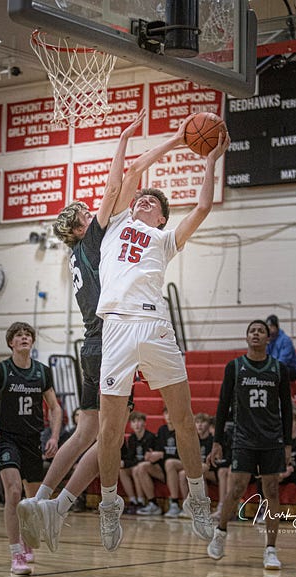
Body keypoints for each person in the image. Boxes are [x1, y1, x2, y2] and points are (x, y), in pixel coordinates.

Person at [95, 115, 230, 552]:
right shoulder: (115, 223)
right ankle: (110, 504)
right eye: (140, 200)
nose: (142, 202)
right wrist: (177, 138)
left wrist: (209, 160)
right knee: (109, 429)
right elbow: (132, 173)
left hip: (154, 325)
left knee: (184, 420)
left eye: (151, 202)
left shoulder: (165, 239)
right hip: (116, 326)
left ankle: (197, 499)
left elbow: (204, 208)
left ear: (161, 216)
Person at [15, 112, 144, 554]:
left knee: (86, 429)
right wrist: (123, 141)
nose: (96, 216)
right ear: (78, 228)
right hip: (110, 343)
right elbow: (113, 190)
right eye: (88, 217)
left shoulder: (75, 256)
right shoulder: (92, 241)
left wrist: (137, 166)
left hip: (91, 343)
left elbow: (120, 193)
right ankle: (63, 503)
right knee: (111, 440)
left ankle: (41, 498)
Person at [0, 322, 62, 575]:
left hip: (33, 440)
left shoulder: (42, 372)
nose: (24, 338)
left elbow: (54, 407)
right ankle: (16, 555)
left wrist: (54, 436)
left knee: (32, 502)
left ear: (32, 341)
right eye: (18, 336)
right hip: (7, 439)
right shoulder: (1, 371)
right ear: (11, 343)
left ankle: (26, 539)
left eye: (27, 335)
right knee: (13, 493)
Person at [207, 320, 292, 570]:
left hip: (271, 439)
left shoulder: (279, 368)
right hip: (243, 438)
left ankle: (271, 549)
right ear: (247, 338)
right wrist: (217, 441)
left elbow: (287, 408)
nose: (256, 334)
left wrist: (288, 443)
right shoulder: (235, 367)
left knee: (272, 492)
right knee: (236, 489)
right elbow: (223, 405)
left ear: (268, 339)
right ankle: (220, 534)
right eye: (252, 331)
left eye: (261, 331)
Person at [135, 407, 174, 517]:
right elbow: (157, 450)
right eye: (166, 413)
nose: (169, 416)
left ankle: (175, 504)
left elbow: (184, 455)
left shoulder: (180, 430)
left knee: (170, 463)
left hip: (178, 468)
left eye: (171, 412)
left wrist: (162, 455)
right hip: (163, 469)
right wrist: (151, 455)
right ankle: (153, 504)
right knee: (141, 467)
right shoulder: (162, 430)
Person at [119, 410, 156, 513]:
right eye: (134, 421)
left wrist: (126, 463)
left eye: (139, 421)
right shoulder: (132, 438)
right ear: (130, 425)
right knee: (122, 470)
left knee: (136, 469)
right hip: (137, 465)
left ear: (144, 423)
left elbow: (145, 459)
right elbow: (131, 457)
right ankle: (133, 501)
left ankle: (141, 501)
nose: (137, 424)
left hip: (151, 467)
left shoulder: (150, 437)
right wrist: (123, 462)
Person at [177, 413, 216, 509]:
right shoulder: (194, 441)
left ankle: (204, 507)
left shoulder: (212, 440)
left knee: (199, 473)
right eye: (197, 422)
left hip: (214, 471)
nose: (199, 425)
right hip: (199, 468)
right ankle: (188, 505)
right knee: (183, 474)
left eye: (203, 422)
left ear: (208, 425)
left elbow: (211, 463)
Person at [265, 315, 296, 381]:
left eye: (271, 326)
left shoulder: (285, 340)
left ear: (277, 327)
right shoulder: (268, 340)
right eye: (267, 326)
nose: (269, 328)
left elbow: (283, 361)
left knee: (276, 372)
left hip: (290, 369)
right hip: (274, 367)